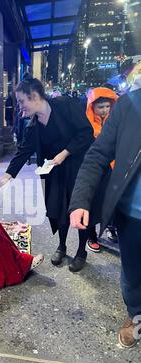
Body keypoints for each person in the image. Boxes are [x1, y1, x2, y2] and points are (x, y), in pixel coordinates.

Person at [0, 77, 94, 272]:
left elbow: (86, 133)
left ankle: (81, 251)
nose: (20, 107)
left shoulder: (66, 105)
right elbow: (23, 151)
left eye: (21, 101)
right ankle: (62, 246)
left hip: (77, 167)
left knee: (79, 208)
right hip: (53, 170)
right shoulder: (34, 124)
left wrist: (64, 153)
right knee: (58, 208)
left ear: (35, 96)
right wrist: (5, 177)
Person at [69, 88, 141, 348]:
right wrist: (80, 201)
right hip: (131, 216)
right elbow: (97, 155)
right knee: (133, 275)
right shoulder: (130, 105)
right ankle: (136, 316)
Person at [85, 87, 118, 252]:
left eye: (107, 106)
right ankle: (91, 236)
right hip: (96, 171)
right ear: (92, 107)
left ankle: (112, 229)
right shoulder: (87, 124)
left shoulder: (117, 121)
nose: (104, 110)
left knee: (113, 202)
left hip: (113, 169)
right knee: (93, 203)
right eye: (100, 107)